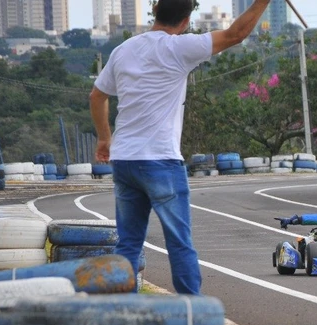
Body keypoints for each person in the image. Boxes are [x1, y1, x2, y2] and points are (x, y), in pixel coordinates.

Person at [89, 0, 272, 294]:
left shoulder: (123, 50)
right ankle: (192, 311)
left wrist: (104, 137)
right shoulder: (179, 48)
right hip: (160, 160)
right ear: (185, 21)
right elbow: (236, 34)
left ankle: (120, 310)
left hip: (124, 159)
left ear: (155, 14)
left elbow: (97, 96)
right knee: (179, 242)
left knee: (128, 243)